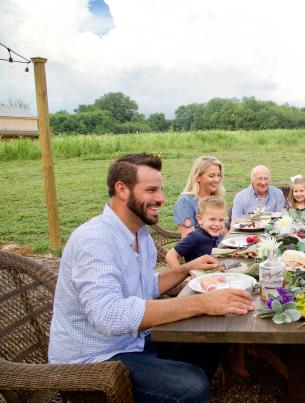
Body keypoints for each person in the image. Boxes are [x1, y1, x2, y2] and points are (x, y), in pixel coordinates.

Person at [48, 153, 254, 403]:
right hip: (96, 359)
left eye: (161, 189)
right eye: (151, 190)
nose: (161, 198)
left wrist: (186, 268)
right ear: (122, 190)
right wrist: (200, 304)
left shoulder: (140, 234)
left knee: (214, 337)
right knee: (191, 386)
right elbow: (108, 315)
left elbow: (146, 286)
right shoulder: (95, 240)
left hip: (135, 341)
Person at [166, 196, 226, 270]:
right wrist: (179, 273)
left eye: (221, 220)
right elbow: (171, 255)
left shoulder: (213, 234)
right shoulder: (195, 237)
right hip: (197, 277)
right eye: (212, 219)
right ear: (200, 219)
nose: (217, 224)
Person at [173, 156, 225, 238]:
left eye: (218, 175)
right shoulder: (186, 202)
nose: (217, 180)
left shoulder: (214, 198)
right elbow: (189, 239)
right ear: (198, 177)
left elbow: (223, 231)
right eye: (211, 176)